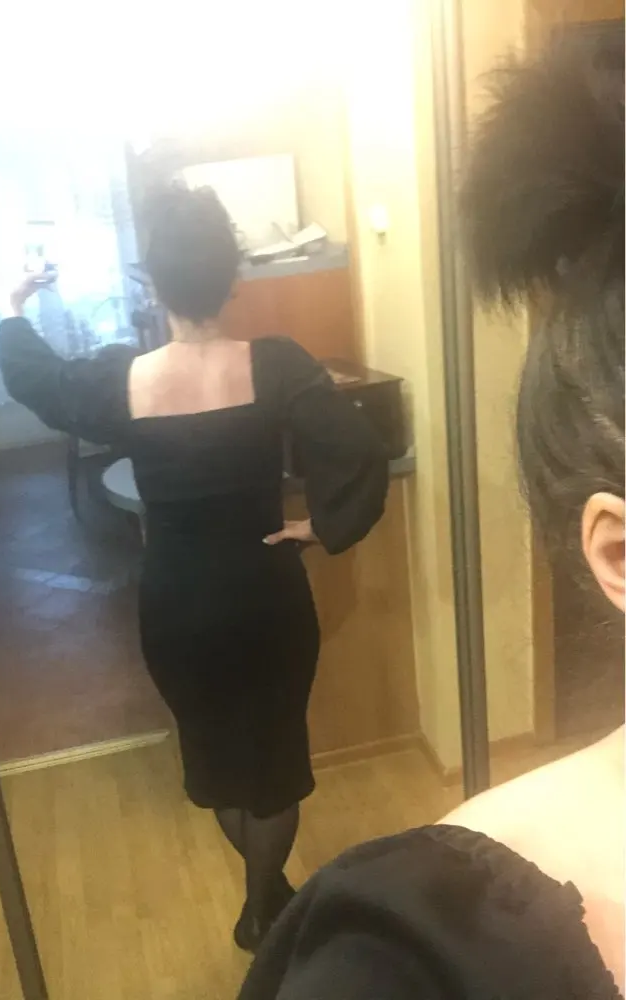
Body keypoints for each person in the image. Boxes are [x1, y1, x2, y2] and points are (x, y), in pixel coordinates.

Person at [238, 35, 624, 1000]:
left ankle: (251, 891)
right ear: (618, 554)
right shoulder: (407, 960)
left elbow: (356, 452)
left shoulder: (172, 371)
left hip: (207, 589)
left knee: (241, 768)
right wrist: (328, 526)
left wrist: (324, 528)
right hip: (244, 593)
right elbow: (358, 454)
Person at [0, 184, 389, 951]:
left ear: (153, 282)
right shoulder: (277, 364)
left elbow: (37, 380)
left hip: (176, 603)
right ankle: (268, 906)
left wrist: (13, 307)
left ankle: (266, 905)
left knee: (215, 758)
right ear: (232, 278)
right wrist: (324, 527)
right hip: (267, 596)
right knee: (275, 758)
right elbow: (360, 449)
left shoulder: (122, 378)